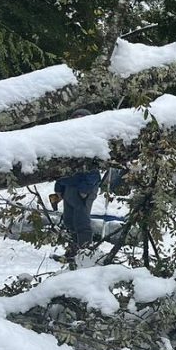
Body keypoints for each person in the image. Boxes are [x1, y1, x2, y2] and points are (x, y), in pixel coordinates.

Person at [52, 108, 101, 256]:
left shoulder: (92, 141)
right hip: (68, 188)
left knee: (81, 222)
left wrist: (85, 189)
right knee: (68, 221)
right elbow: (61, 167)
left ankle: (84, 254)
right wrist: (59, 187)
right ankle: (72, 251)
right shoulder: (66, 141)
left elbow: (94, 170)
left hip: (83, 189)